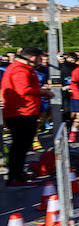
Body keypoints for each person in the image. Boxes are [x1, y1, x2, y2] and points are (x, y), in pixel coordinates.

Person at [2, 48, 43, 187]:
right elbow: (23, 90)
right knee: (20, 146)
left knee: (21, 146)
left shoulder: (21, 68)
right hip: (21, 113)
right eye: (39, 58)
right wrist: (43, 91)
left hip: (23, 112)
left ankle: (18, 176)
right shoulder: (20, 69)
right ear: (32, 58)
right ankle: (15, 178)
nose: (41, 61)